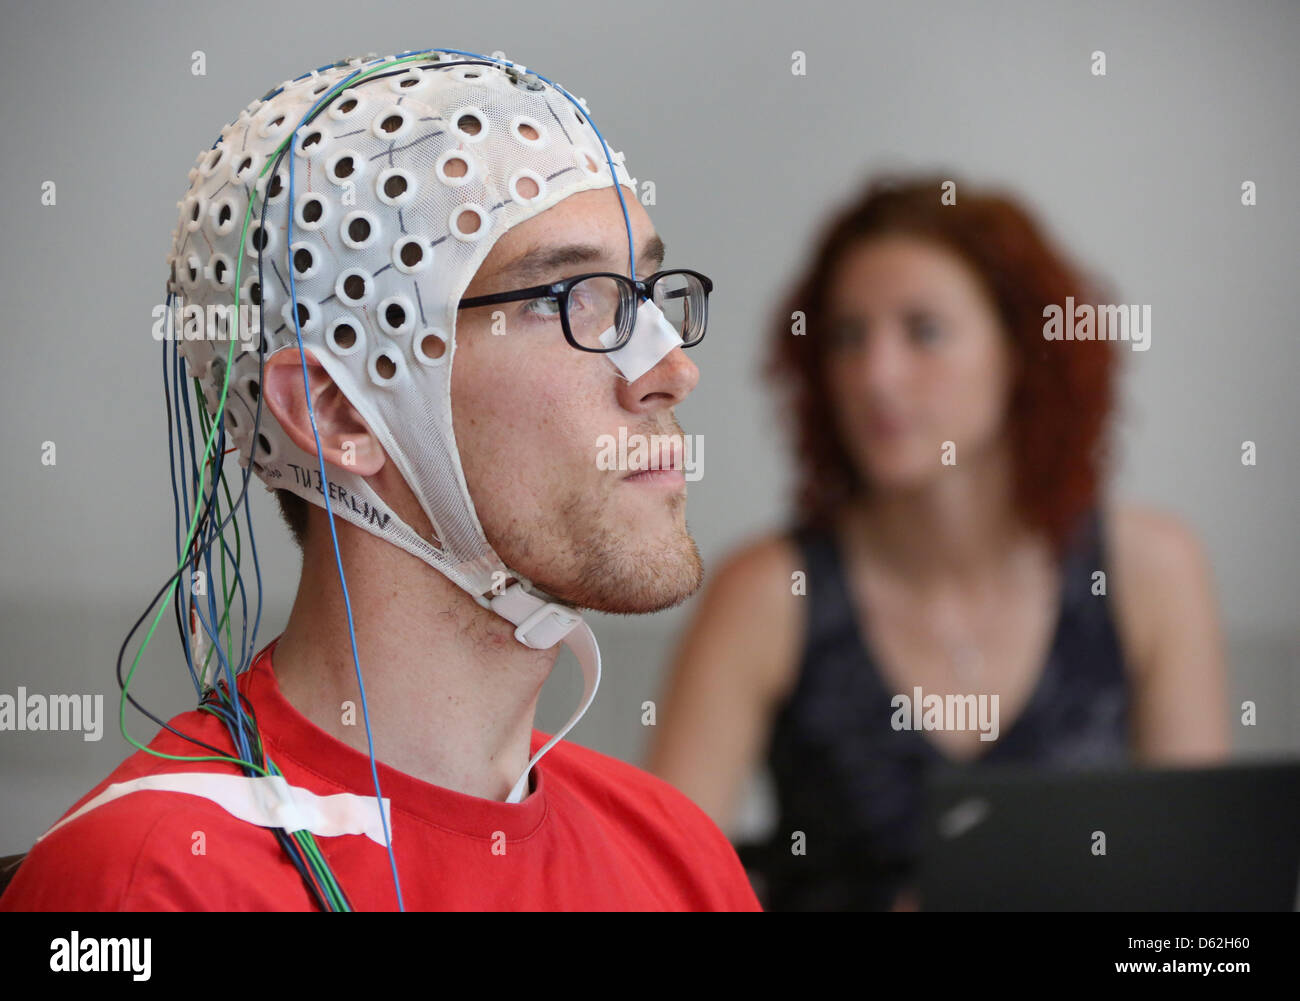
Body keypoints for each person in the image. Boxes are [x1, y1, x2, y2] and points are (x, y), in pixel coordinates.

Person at [0, 50, 759, 911]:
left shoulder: (674, 855)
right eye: (568, 294)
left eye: (646, 289)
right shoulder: (152, 880)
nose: (668, 367)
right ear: (338, 412)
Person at [646, 174, 1230, 911]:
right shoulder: (766, 592)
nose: (877, 376)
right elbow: (654, 885)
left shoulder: (1152, 570)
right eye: (849, 337)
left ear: (1019, 351)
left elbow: (1206, 917)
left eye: (923, 331)